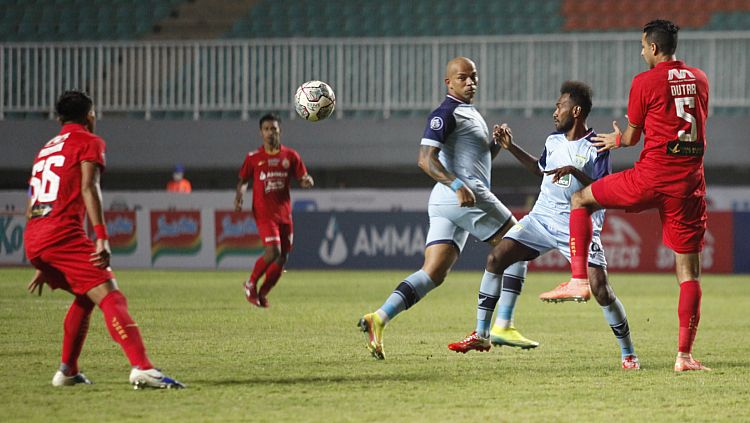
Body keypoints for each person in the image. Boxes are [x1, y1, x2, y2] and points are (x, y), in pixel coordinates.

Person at [552, 20, 710, 372]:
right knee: (689, 274)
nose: (641, 52)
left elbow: (633, 138)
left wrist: (616, 139)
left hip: (650, 178)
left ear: (653, 48)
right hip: (688, 184)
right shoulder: (700, 79)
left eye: (642, 46)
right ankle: (684, 356)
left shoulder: (644, 81)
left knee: (581, 199)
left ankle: (579, 280)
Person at [447, 81, 639, 369]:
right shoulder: (553, 140)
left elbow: (604, 189)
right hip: (540, 218)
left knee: (600, 289)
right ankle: (482, 334)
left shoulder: (596, 145)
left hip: (577, 225)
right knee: (496, 257)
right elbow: (541, 169)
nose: (554, 111)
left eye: (559, 106)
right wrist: (511, 148)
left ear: (575, 110)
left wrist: (575, 171)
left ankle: (628, 353)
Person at [357, 57, 531, 360]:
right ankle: (499, 325)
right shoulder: (445, 113)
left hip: (447, 200)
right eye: (462, 78)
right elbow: (425, 159)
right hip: (462, 195)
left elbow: (474, 161)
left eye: (473, 77)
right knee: (519, 243)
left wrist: (495, 146)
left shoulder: (469, 113)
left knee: (433, 273)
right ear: (448, 82)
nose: (470, 83)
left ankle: (379, 318)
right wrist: (456, 185)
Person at [24, 90, 184, 389]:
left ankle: (68, 370)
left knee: (86, 297)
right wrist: (101, 237)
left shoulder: (45, 149)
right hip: (61, 235)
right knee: (112, 295)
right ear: (89, 116)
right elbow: (89, 187)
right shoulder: (89, 141)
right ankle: (142, 367)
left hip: (37, 236)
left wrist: (40, 253)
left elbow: (33, 198)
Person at [234, 113, 314, 308]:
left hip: (284, 214)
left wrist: (307, 181)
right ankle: (251, 283)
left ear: (280, 131)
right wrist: (239, 196)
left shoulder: (290, 156)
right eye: (267, 129)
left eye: (274, 129)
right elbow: (243, 181)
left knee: (283, 256)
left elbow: (303, 177)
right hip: (264, 213)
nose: (270, 132)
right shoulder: (253, 158)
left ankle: (262, 293)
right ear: (261, 132)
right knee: (273, 250)